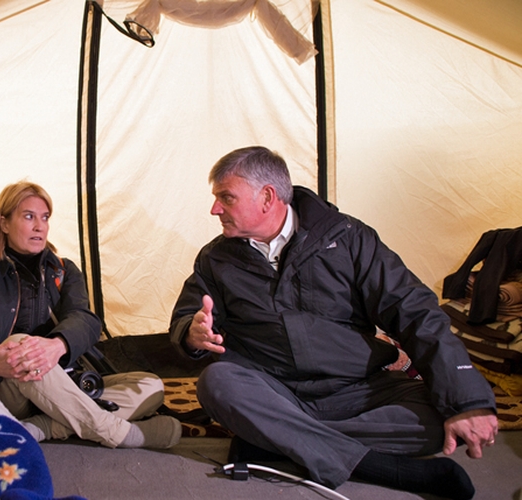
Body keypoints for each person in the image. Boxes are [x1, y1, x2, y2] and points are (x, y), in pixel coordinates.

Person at [170, 146, 497, 500]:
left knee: (439, 416)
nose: (215, 209)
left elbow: (415, 312)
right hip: (271, 389)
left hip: (356, 388)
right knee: (218, 383)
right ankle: (380, 467)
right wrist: (191, 332)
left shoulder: (350, 239)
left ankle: (277, 442)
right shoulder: (215, 258)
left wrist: (467, 403)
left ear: (266, 197)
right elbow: (188, 315)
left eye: (225, 198)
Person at [0, 181, 180, 449]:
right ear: (4, 224)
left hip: (62, 382)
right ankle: (114, 432)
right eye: (28, 216)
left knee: (151, 385)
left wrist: (57, 345)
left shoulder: (63, 271)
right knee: (22, 346)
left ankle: (43, 427)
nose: (40, 226)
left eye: (45, 218)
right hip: (8, 383)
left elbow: (86, 320)